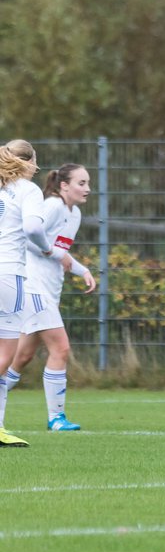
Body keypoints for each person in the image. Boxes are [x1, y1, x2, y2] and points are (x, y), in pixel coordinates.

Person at [3, 164, 97, 432]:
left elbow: (60, 253)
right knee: (61, 348)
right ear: (63, 185)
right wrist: (58, 255)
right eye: (81, 183)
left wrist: (83, 270)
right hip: (34, 288)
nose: (87, 188)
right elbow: (29, 238)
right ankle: (56, 418)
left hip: (49, 290)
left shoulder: (74, 213)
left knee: (20, 358)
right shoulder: (53, 205)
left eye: (88, 183)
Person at [0, 140, 55, 448]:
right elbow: (33, 228)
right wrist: (47, 247)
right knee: (5, 356)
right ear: (29, 162)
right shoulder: (28, 189)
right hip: (9, 275)